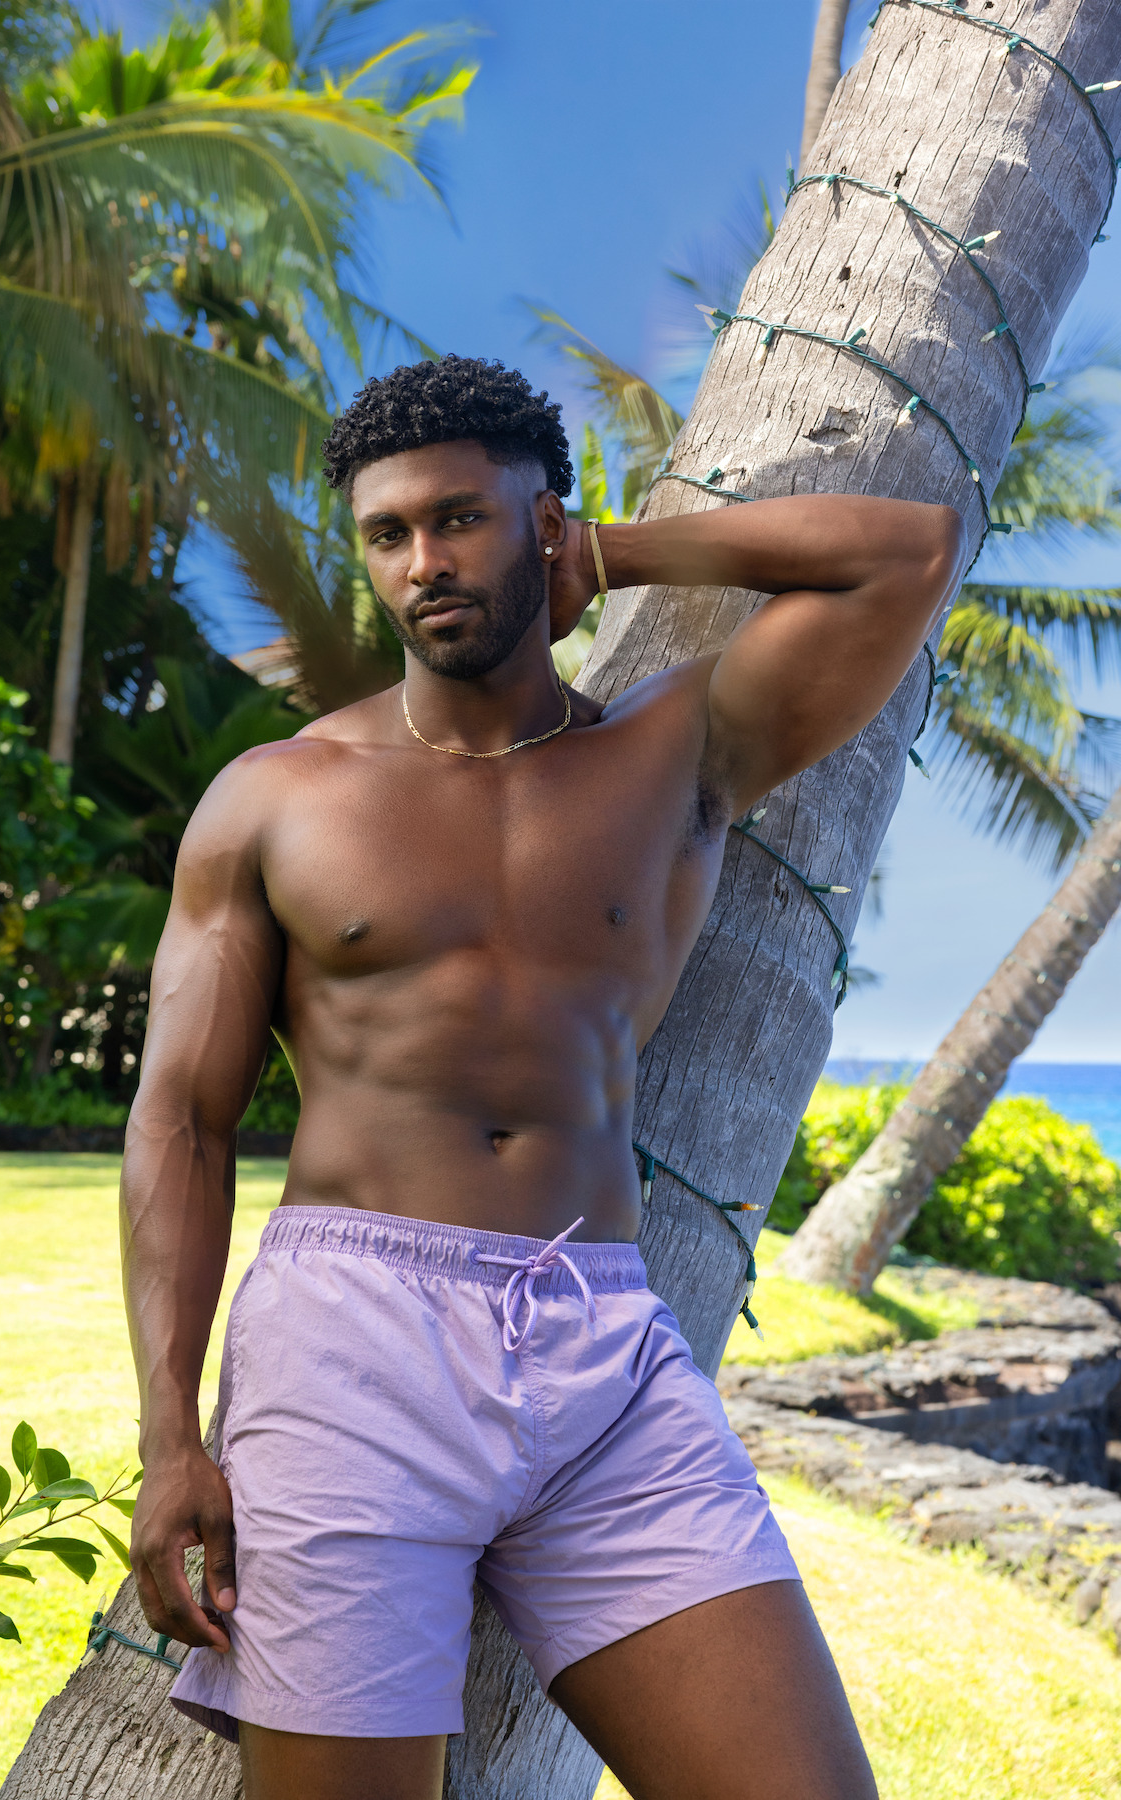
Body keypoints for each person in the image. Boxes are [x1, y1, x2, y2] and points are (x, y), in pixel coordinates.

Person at [123, 354, 963, 1800]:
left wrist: (625, 554)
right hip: (349, 1356)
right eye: (387, 534)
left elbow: (906, 553)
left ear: (544, 521)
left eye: (460, 518)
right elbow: (184, 1124)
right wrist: (166, 1439)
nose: (422, 563)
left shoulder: (676, 750)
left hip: (601, 1355)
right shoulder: (278, 797)